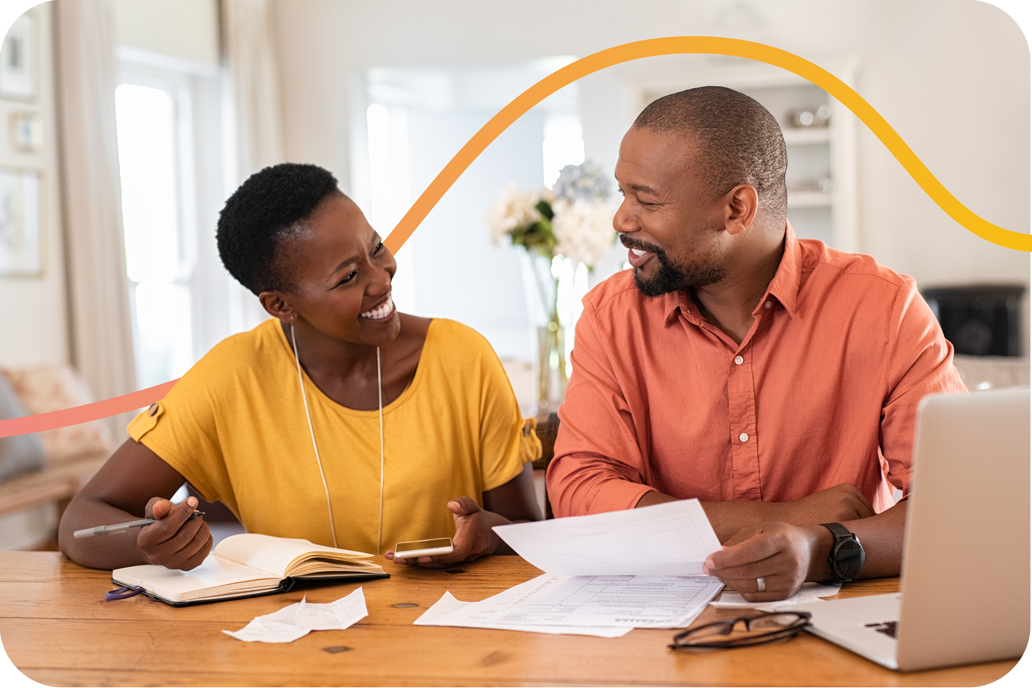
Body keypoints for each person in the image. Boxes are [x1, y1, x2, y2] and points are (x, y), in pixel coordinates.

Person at [546, 86, 965, 601]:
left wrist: (819, 548)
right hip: (658, 628)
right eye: (623, 193)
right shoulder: (610, 318)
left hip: (840, 617)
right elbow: (579, 490)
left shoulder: (883, 308)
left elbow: (955, 504)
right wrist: (778, 520)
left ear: (737, 209)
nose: (621, 220)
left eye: (647, 201)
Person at [59, 163, 541, 571]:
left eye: (375, 248)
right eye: (348, 277)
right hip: (293, 645)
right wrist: (152, 546)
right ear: (280, 305)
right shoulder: (232, 377)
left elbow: (527, 532)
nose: (382, 278)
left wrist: (486, 534)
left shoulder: (463, 357)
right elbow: (80, 521)